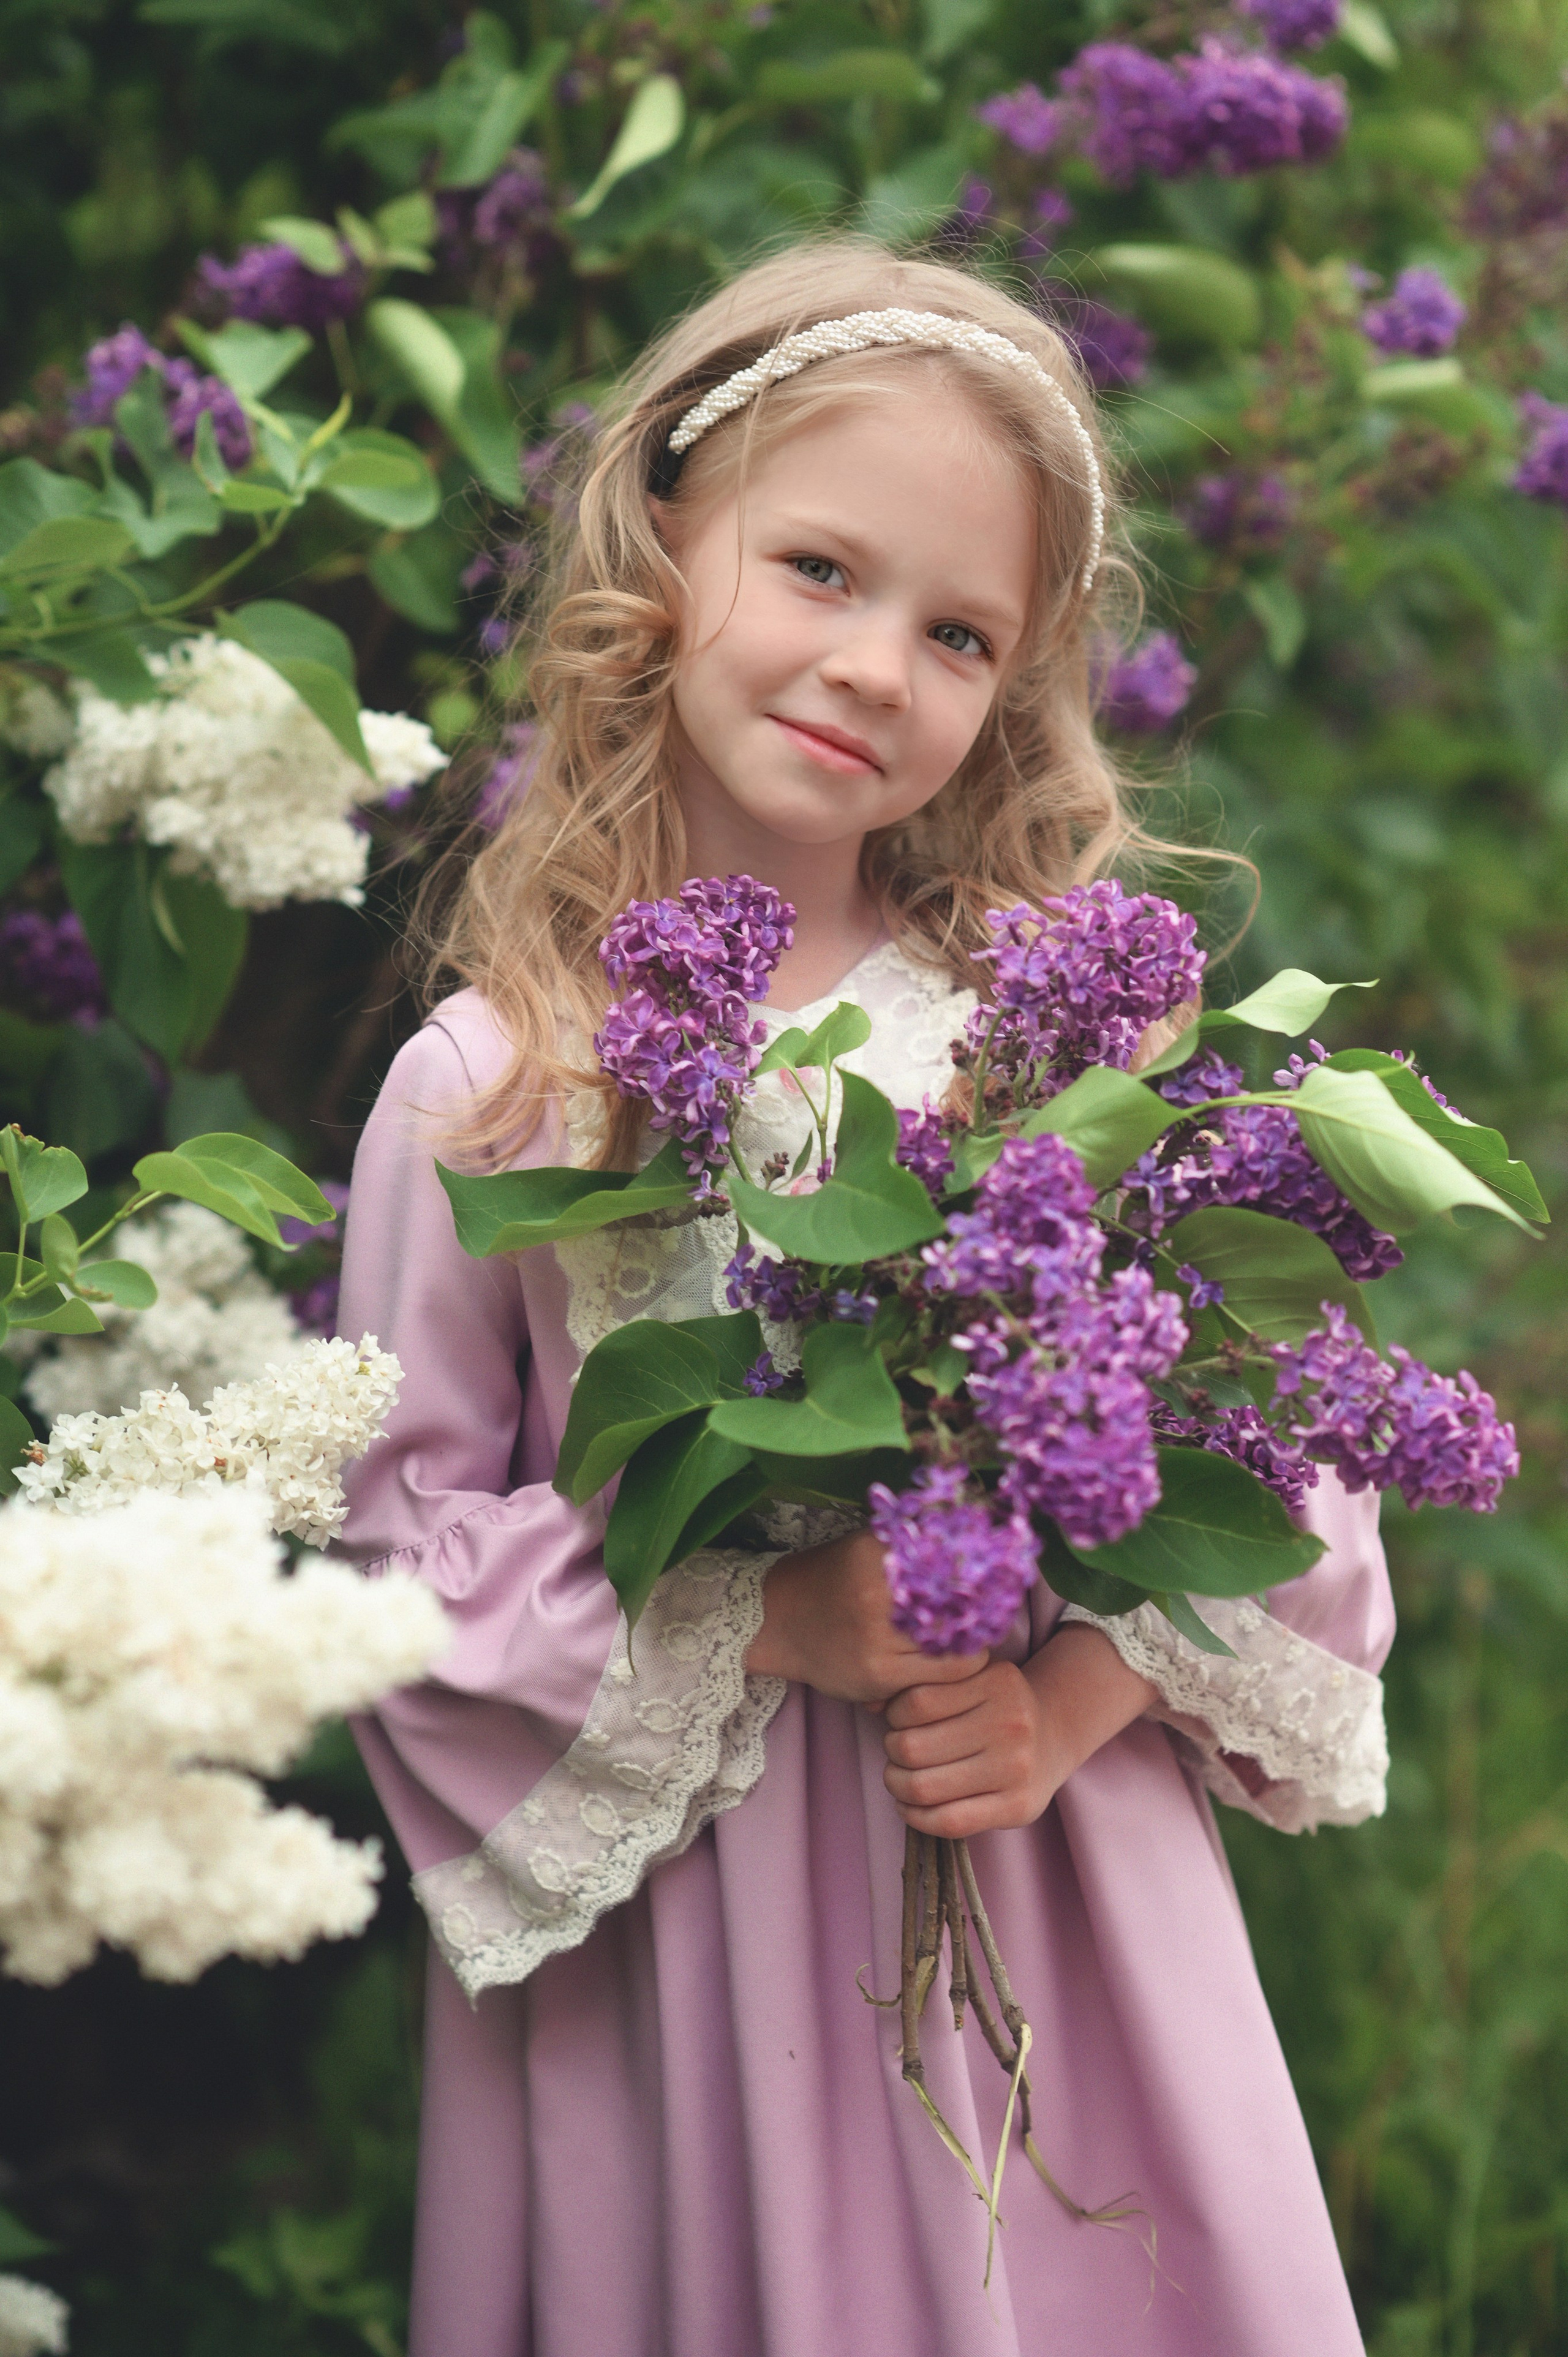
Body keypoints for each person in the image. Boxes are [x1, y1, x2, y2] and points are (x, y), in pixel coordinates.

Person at [337, 238, 1392, 2357]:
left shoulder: (1061, 1044)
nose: (873, 663)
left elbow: (1284, 1449)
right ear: (667, 533)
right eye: (817, 568)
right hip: (705, 1971)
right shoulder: (505, 1086)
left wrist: (1076, 1698)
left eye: (958, 629)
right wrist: (768, 1614)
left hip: (1044, 1868)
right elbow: (392, 1554)